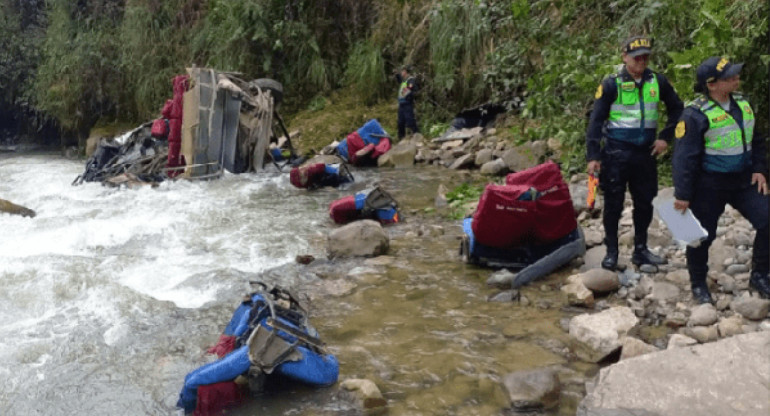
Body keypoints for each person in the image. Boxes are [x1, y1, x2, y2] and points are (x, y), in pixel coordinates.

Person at [672, 56, 769, 304]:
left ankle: (759, 275)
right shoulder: (695, 115)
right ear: (712, 84)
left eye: (736, 74)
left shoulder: (743, 104)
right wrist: (682, 195)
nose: (737, 79)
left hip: (744, 181)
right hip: (709, 184)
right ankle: (697, 283)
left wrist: (760, 169)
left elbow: (756, 140)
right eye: (730, 77)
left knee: (767, 220)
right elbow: (684, 157)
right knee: (701, 236)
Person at [586, 35, 684, 271]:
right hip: (616, 153)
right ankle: (611, 252)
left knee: (645, 203)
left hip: (645, 154)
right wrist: (593, 156)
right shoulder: (612, 84)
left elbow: (677, 108)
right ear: (625, 57)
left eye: (645, 57)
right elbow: (596, 120)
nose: (641, 61)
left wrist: (665, 137)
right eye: (637, 57)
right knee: (613, 204)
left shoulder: (657, 81)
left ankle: (641, 250)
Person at [396, 65, 419, 139]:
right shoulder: (404, 80)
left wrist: (405, 94)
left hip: (407, 104)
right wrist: (396, 74)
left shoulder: (411, 80)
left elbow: (410, 89)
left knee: (410, 120)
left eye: (402, 71)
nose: (401, 73)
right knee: (400, 122)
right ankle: (401, 138)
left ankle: (416, 135)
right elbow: (400, 82)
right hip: (401, 104)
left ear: (405, 72)